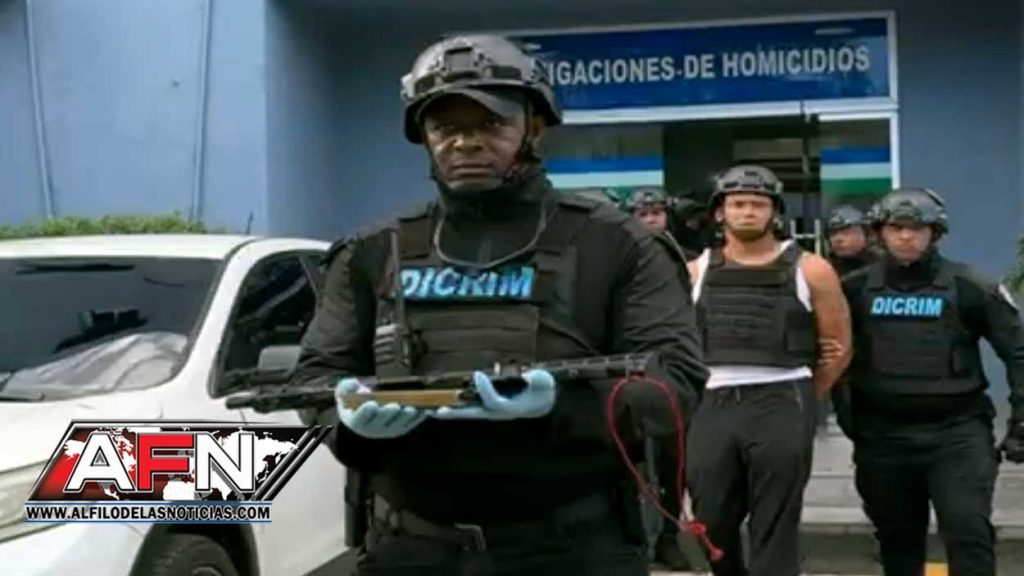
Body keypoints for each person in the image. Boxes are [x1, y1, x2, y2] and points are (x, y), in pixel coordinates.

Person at [290, 34, 708, 576]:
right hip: (412, 548)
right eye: (445, 128)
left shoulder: (616, 243)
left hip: (573, 548)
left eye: (491, 124)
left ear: (534, 127)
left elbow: (676, 382)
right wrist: (349, 423)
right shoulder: (373, 249)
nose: (466, 143)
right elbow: (316, 377)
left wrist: (565, 405)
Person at [836, 187, 1024, 576]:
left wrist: (1021, 421)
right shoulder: (854, 289)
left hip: (956, 435)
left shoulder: (969, 286)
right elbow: (828, 355)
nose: (907, 236)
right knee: (897, 543)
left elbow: (1018, 352)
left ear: (935, 233)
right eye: (897, 228)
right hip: (883, 439)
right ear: (880, 232)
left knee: (968, 532)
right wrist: (846, 416)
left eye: (917, 228)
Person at [685, 164, 852, 576]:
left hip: (783, 396)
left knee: (775, 520)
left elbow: (838, 346)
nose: (748, 212)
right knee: (710, 518)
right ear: (720, 212)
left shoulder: (812, 268)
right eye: (738, 204)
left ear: (774, 212)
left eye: (758, 204)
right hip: (712, 401)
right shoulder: (695, 271)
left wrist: (805, 397)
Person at [825, 204, 880, 277]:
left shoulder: (884, 266)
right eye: (833, 234)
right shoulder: (824, 269)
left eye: (846, 233)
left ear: (866, 235)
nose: (838, 239)